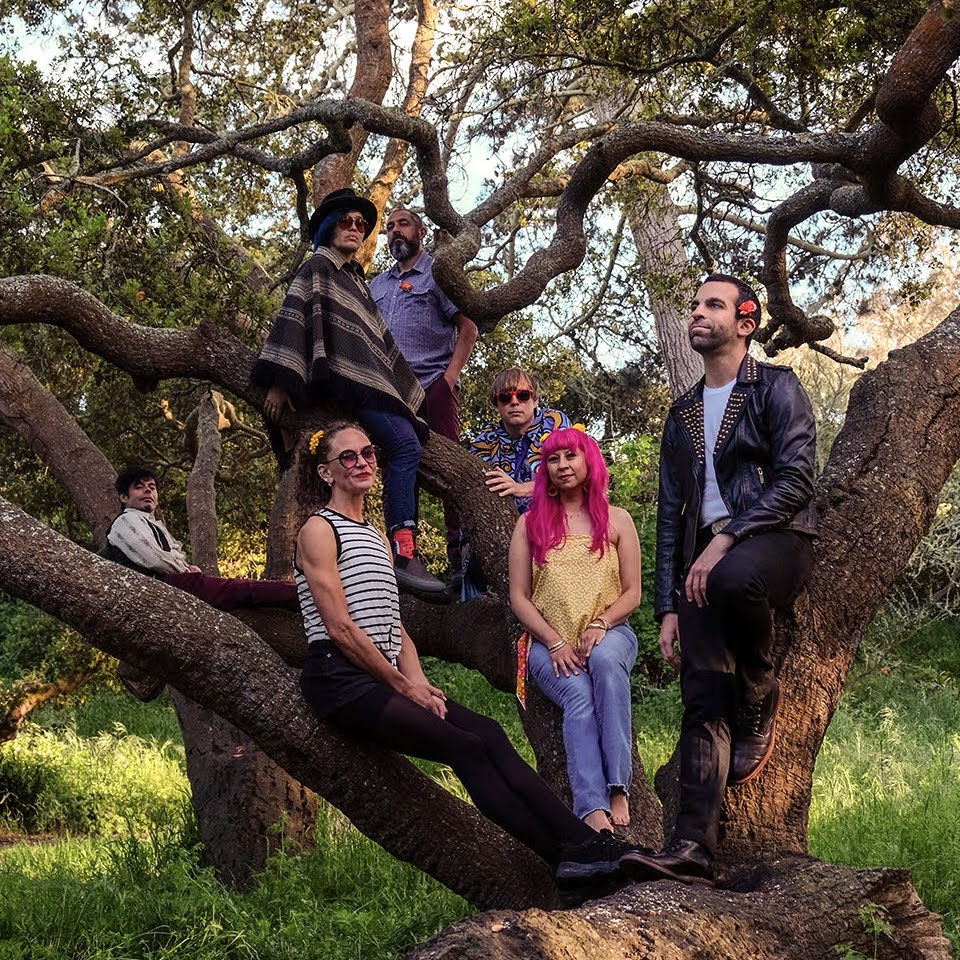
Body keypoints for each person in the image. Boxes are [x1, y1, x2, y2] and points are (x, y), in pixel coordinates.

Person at [295, 420, 640, 883]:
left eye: (369, 453)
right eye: (348, 457)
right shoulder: (319, 530)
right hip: (340, 679)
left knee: (490, 732)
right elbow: (339, 627)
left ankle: (587, 842)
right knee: (466, 748)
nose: (362, 463)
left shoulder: (376, 536)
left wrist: (416, 680)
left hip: (381, 675)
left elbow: (394, 625)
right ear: (325, 473)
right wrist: (403, 686)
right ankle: (564, 857)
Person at [620, 274, 817, 887]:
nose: (698, 313)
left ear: (746, 322)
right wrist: (667, 608)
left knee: (731, 579)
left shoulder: (776, 387)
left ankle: (759, 688)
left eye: (713, 305)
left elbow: (796, 480)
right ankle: (691, 848)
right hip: (707, 558)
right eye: (695, 305)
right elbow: (671, 513)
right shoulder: (680, 414)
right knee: (702, 693)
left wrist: (728, 538)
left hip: (776, 539)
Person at [251, 188, 444, 595]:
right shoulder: (319, 267)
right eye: (346, 221)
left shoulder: (355, 278)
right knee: (405, 448)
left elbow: (374, 341)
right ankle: (403, 552)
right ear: (327, 226)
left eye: (361, 223)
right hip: (345, 385)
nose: (355, 228)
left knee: (401, 447)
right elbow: (294, 318)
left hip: (364, 385)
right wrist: (280, 380)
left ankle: (390, 550)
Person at [509, 428, 641, 835]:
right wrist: (554, 641)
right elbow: (519, 598)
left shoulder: (617, 520)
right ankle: (591, 806)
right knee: (578, 695)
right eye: (553, 459)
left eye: (571, 456)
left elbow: (633, 593)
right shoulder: (529, 523)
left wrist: (601, 623)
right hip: (546, 641)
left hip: (611, 631)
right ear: (544, 468)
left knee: (603, 662)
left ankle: (619, 785)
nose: (562, 466)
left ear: (589, 462)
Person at [370, 209, 478, 572]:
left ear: (420, 231)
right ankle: (404, 555)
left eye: (403, 224)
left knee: (451, 466)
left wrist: (448, 379)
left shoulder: (438, 274)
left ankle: (459, 553)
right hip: (390, 390)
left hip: (433, 384)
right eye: (389, 228)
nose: (395, 232)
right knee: (398, 466)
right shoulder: (377, 285)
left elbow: (468, 329)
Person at [105, 464, 298, 611]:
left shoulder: (151, 523)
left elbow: (170, 553)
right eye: (139, 487)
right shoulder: (126, 521)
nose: (148, 491)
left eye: (152, 487)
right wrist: (186, 571)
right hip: (161, 588)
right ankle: (301, 594)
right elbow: (154, 557)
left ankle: (297, 595)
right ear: (124, 497)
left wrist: (188, 568)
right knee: (243, 589)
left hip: (173, 584)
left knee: (243, 591)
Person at [462, 367, 571, 599]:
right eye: (505, 397)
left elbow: (572, 477)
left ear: (535, 398)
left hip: (554, 526)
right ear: (497, 404)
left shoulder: (555, 423)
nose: (514, 402)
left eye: (522, 395)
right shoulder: (485, 441)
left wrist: (520, 489)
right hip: (501, 532)